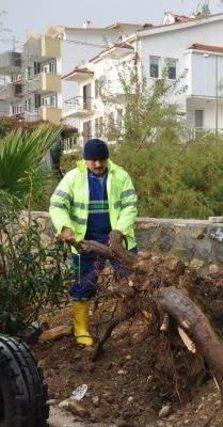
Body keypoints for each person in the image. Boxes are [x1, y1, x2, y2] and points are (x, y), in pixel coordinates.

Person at [49, 138, 138, 347]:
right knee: (83, 283)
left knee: (133, 280)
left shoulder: (120, 176)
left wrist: (119, 231)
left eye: (102, 160)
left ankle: (144, 323)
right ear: (85, 160)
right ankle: (81, 328)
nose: (98, 165)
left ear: (107, 158)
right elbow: (56, 204)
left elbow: (130, 205)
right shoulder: (73, 178)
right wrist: (65, 227)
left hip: (118, 241)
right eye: (93, 161)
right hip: (85, 242)